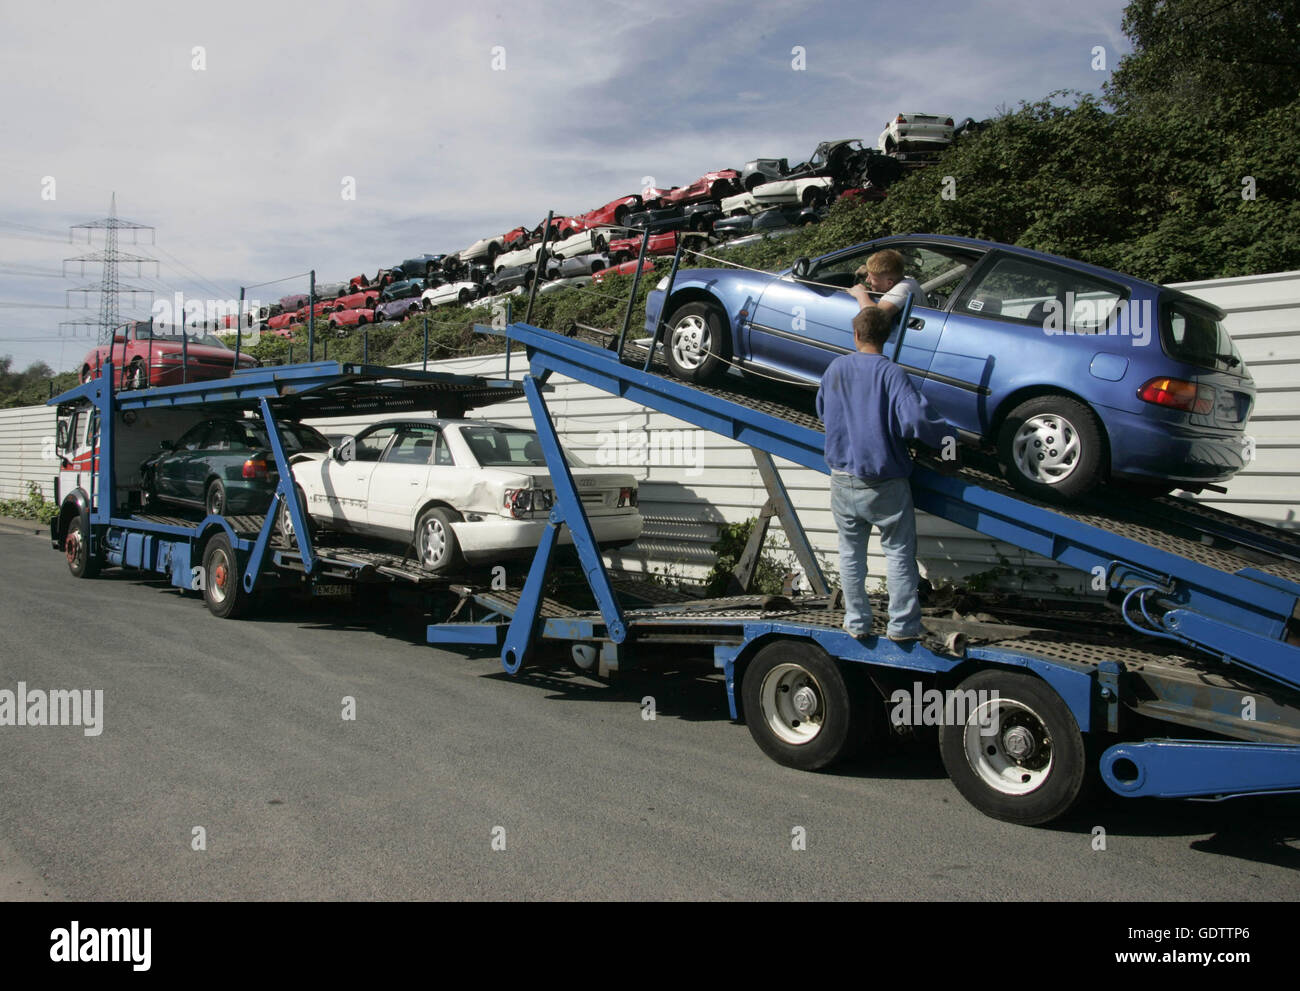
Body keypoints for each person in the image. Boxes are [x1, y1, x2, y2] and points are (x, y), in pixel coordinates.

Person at [816, 304, 952, 643]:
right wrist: (948, 439)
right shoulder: (891, 373)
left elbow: (821, 409)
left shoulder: (835, 368)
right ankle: (902, 626)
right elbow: (917, 421)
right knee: (898, 552)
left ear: (857, 334)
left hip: (842, 478)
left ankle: (857, 620)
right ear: (887, 337)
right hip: (885, 482)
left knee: (850, 553)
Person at [847, 248, 923, 321]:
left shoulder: (901, 290)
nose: (867, 281)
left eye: (872, 278)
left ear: (889, 283)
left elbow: (874, 318)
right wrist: (870, 272)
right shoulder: (907, 280)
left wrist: (861, 295)